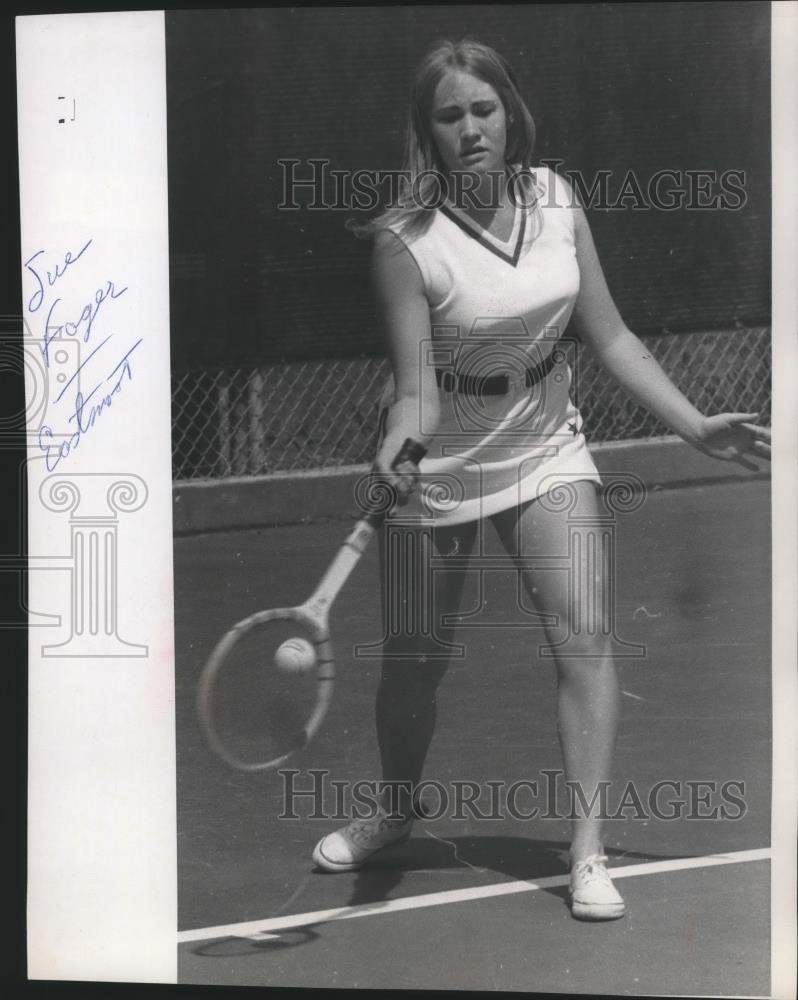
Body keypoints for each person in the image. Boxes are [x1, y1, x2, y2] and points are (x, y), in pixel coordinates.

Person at [310, 39, 771, 921]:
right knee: (414, 663)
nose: (470, 128)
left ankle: (587, 853)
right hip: (441, 464)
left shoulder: (558, 200)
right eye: (450, 116)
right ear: (428, 132)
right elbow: (414, 392)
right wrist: (397, 442)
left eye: (483, 109)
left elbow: (613, 338)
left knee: (587, 633)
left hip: (547, 442)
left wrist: (695, 425)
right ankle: (396, 808)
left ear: (509, 112)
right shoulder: (405, 244)